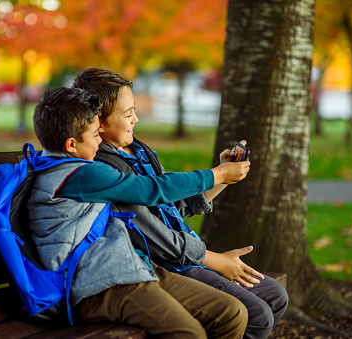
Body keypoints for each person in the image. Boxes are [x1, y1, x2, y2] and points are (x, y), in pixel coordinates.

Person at [72, 68, 289, 339]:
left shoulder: (138, 150)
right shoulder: (105, 168)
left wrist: (222, 177)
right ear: (99, 122)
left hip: (187, 254)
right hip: (166, 263)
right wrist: (214, 260)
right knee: (256, 315)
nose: (136, 119)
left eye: (135, 110)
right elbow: (154, 236)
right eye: (128, 114)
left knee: (275, 296)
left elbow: (173, 208)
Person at [29, 86, 249, 338]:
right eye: (94, 134)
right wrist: (216, 175)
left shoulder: (65, 164)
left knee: (231, 313)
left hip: (129, 269)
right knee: (189, 334)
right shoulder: (80, 174)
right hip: (100, 286)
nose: (100, 140)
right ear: (71, 144)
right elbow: (150, 190)